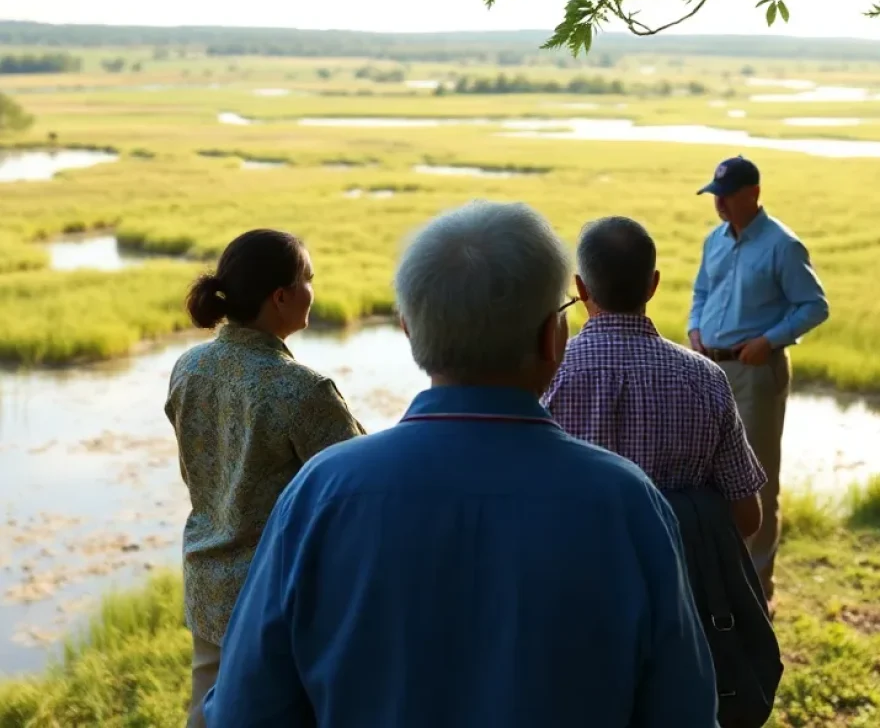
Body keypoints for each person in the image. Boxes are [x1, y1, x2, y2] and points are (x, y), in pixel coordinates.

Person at [204, 201, 718, 728]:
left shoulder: (322, 495)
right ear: (551, 338)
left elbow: (243, 710)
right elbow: (686, 712)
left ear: (408, 330)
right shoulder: (629, 504)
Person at [166, 228, 365, 728]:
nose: (313, 291)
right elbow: (363, 484)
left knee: (207, 711)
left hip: (207, 580)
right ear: (281, 297)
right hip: (276, 597)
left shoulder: (188, 367)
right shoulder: (301, 390)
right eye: (308, 279)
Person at [543, 215, 766, 540]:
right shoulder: (707, 379)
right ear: (653, 285)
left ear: (580, 287)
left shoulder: (549, 373)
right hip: (677, 582)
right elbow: (747, 518)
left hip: (573, 577)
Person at [688, 157, 829, 603]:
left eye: (727, 196)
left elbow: (814, 306)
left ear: (753, 192)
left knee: (757, 480)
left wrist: (769, 341)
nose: (720, 204)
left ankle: (756, 592)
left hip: (754, 374)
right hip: (710, 368)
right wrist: (695, 328)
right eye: (715, 196)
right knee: (706, 473)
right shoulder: (715, 240)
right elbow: (701, 292)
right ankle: (718, 579)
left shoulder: (782, 245)